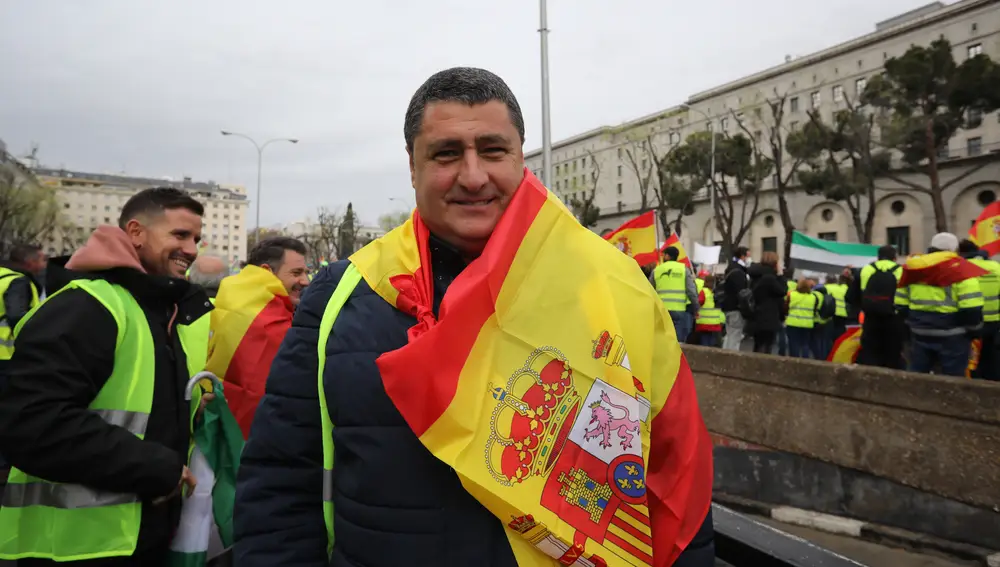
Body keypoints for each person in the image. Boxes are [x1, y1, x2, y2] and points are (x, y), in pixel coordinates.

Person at [233, 67, 715, 567]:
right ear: (412, 165)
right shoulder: (343, 294)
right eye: (446, 153)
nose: (473, 176)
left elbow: (677, 481)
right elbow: (280, 481)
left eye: (492, 150)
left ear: (520, 156)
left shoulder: (615, 289)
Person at [0, 187, 212, 566]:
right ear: (135, 232)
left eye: (196, 238)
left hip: (132, 539)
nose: (192, 249)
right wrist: (155, 468)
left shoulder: (155, 310)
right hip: (72, 548)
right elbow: (32, 422)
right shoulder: (89, 304)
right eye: (179, 235)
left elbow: (132, 406)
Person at [206, 237, 307, 437]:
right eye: (296, 273)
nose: (305, 281)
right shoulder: (266, 322)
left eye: (306, 272)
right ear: (267, 272)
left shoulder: (230, 302)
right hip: (250, 439)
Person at [895, 233, 984, 377]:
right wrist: (975, 331)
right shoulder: (962, 270)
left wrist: (913, 324)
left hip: (919, 333)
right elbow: (971, 309)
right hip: (953, 336)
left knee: (917, 380)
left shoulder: (912, 268)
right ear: (954, 249)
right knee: (953, 382)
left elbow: (900, 305)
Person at [852, 245, 904, 370]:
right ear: (895, 258)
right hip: (894, 318)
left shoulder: (866, 269)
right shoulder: (901, 270)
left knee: (870, 352)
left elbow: (852, 296)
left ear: (878, 257)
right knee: (893, 354)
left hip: (870, 318)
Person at [958, 240, 1000, 380]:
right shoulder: (995, 266)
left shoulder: (962, 267)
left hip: (972, 322)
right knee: (992, 358)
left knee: (972, 360)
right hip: (994, 322)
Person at [0, 244, 47, 365]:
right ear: (30, 263)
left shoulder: (3, 275)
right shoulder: (18, 282)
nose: (45, 265)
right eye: (43, 260)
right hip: (8, 356)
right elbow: (17, 317)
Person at [652, 246, 699, 342]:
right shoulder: (684, 269)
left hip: (662, 310)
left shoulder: (657, 270)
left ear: (668, 256)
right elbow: (691, 291)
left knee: (663, 339)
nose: (662, 257)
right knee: (678, 341)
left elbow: (649, 290)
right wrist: (696, 308)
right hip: (679, 310)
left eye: (664, 255)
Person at [748, 252, 787, 354]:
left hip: (756, 315)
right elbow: (782, 291)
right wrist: (781, 275)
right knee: (767, 345)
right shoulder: (770, 278)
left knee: (758, 344)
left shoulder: (755, 276)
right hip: (769, 315)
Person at [720, 246, 751, 351]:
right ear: (742, 256)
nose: (749, 258)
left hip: (728, 306)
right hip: (735, 308)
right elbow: (741, 292)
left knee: (730, 335)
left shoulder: (731, 268)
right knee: (735, 336)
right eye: (748, 255)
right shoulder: (738, 271)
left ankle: (724, 358)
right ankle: (731, 360)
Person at [785, 278, 817, 358]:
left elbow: (785, 307)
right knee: (805, 344)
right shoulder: (813, 297)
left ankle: (794, 361)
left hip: (793, 323)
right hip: (807, 324)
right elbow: (815, 310)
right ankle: (805, 361)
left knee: (793, 343)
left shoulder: (792, 294)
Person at [825, 272, 856, 341]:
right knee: (841, 334)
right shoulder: (849, 289)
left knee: (831, 334)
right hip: (845, 314)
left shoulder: (834, 288)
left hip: (833, 313)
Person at [694, 274, 723, 346]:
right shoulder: (717, 292)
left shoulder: (703, 292)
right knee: (711, 342)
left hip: (704, 322)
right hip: (715, 323)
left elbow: (698, 303)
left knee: (704, 342)